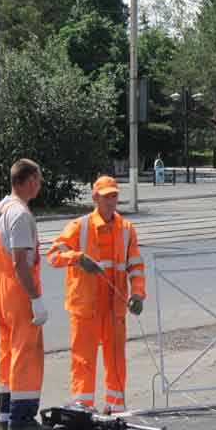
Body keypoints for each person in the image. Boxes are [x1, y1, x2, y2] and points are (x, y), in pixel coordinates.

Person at [47, 176, 145, 414]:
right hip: (86, 306)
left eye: (115, 196)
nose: (112, 201)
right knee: (84, 357)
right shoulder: (79, 226)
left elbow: (136, 266)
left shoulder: (126, 229)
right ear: (95, 198)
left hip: (114, 306)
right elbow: (53, 255)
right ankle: (83, 405)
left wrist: (138, 294)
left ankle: (116, 407)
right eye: (107, 196)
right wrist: (78, 258)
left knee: (116, 358)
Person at [0, 158, 48, 430]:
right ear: (30, 180)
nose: (40, 185)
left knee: (8, 350)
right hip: (19, 289)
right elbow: (20, 263)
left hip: (1, 287)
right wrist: (35, 297)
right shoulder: (21, 214)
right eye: (38, 179)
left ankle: (5, 414)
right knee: (26, 352)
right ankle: (21, 418)